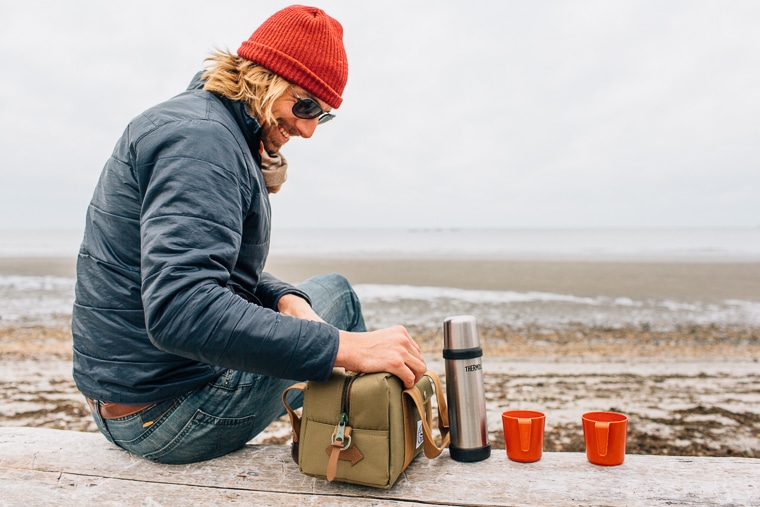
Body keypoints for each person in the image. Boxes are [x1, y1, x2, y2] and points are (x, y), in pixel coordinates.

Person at [72, 5, 426, 465]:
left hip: (127, 397)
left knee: (320, 296)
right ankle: (357, 445)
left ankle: (352, 427)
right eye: (305, 106)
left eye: (324, 115)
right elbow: (182, 309)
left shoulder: (202, 125)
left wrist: (282, 297)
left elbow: (205, 265)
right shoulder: (203, 142)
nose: (308, 129)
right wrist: (348, 348)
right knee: (340, 298)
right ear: (263, 79)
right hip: (166, 416)